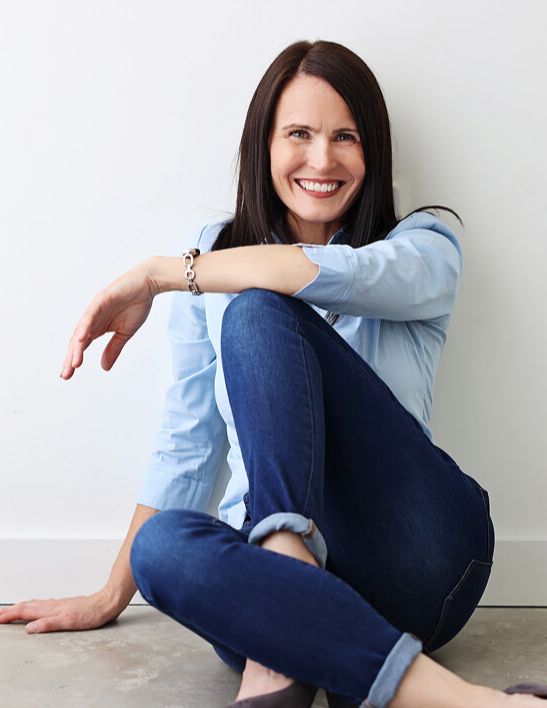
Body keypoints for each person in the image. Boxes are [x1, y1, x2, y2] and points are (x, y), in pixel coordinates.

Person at [1, 40, 545, 708]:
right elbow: (189, 443)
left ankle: (284, 588)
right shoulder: (213, 259)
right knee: (162, 548)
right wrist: (111, 595)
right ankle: (459, 696)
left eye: (345, 137)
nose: (321, 159)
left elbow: (316, 272)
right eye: (298, 134)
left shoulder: (422, 246)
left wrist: (162, 274)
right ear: (263, 145)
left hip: (417, 562)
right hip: (284, 588)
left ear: (372, 152)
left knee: (258, 310)